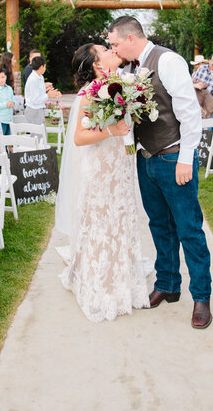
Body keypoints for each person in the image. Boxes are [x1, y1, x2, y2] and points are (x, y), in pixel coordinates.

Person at [107, 16, 213, 329]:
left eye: (114, 43)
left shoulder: (167, 60)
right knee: (158, 226)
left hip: (173, 157)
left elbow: (189, 111)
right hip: (145, 158)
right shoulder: (127, 69)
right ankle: (167, 284)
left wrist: (186, 158)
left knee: (189, 228)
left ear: (129, 38)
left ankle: (201, 297)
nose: (113, 49)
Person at [57, 43, 150, 321]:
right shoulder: (89, 94)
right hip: (99, 169)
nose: (112, 51)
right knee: (101, 222)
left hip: (120, 166)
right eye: (104, 50)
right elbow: (79, 138)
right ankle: (101, 286)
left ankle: (121, 280)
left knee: (121, 220)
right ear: (98, 65)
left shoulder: (123, 85)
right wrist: (111, 130)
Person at [24, 56, 61, 126]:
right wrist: (48, 95)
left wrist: (45, 88)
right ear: (41, 66)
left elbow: (38, 91)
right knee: (36, 134)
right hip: (33, 110)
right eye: (45, 66)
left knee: (42, 133)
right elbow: (35, 100)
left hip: (39, 109)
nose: (45, 68)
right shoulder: (33, 79)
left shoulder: (40, 76)